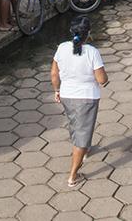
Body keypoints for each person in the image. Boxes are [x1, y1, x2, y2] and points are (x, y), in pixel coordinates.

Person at [50, 16, 108, 189]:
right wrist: (105, 80)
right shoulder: (92, 52)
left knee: (75, 123)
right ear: (88, 33)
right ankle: (73, 176)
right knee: (81, 136)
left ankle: (84, 148)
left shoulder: (61, 48)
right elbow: (101, 79)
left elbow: (54, 73)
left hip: (67, 95)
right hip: (87, 98)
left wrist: (57, 91)